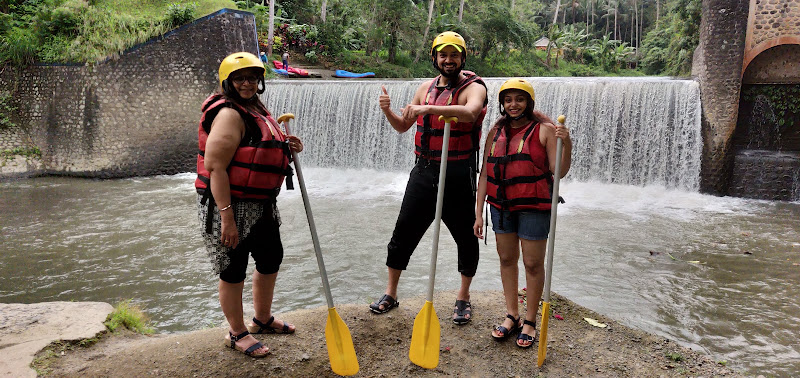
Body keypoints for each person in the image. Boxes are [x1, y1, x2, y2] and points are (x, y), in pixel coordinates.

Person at [373, 31, 487, 325]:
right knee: (403, 233)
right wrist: (388, 111)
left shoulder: (473, 87)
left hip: (458, 172)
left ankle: (463, 297)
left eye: (454, 55)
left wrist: (430, 108)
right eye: (443, 55)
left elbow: (470, 113)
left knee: (465, 237)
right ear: (434, 58)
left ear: (463, 57)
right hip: (424, 171)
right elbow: (402, 126)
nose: (448, 60)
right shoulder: (425, 88)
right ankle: (391, 292)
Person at [195, 51, 304, 358]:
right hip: (229, 205)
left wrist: (288, 145)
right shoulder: (230, 113)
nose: (247, 83)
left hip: (262, 204)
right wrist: (227, 219)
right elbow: (216, 168)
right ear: (227, 82)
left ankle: (262, 319)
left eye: (253, 77)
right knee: (233, 269)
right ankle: (236, 331)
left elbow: (259, 148)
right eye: (240, 78)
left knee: (271, 259)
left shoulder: (255, 109)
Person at [473, 78, 572, 348]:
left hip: (534, 207)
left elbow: (559, 171)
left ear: (528, 102)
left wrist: (568, 143)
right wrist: (479, 212)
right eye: (508, 100)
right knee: (506, 259)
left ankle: (529, 320)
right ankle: (511, 315)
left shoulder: (545, 130)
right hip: (501, 205)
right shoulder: (495, 132)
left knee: (532, 264)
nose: (513, 104)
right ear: (503, 104)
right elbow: (485, 174)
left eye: (519, 99)